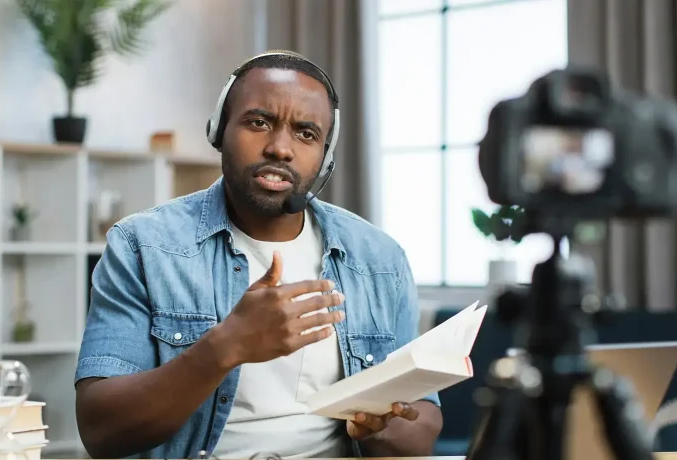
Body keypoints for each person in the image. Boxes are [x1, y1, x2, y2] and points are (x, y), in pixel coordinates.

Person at [73, 50, 443, 459]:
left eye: (306, 134)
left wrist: (381, 430)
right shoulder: (143, 245)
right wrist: (225, 347)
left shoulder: (379, 259)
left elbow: (423, 421)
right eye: (258, 122)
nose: (280, 149)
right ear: (219, 131)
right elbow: (101, 430)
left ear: (325, 157)